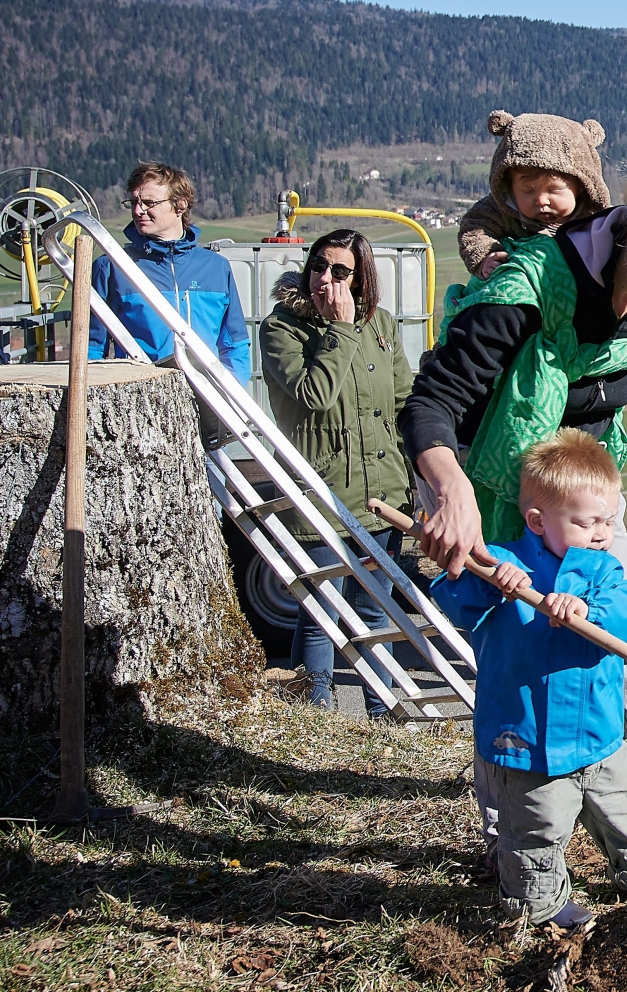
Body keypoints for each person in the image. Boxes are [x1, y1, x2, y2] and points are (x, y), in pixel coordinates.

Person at [401, 128, 627, 813]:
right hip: (487, 481)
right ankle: (510, 821)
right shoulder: (531, 283)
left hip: (584, 481)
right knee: (515, 655)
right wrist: (452, 489)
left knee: (621, 628)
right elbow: (431, 402)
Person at [430, 430, 627, 930]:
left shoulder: (604, 571)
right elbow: (456, 596)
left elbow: (625, 609)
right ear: (537, 520)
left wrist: (588, 611)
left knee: (623, 804)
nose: (599, 531)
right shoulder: (502, 567)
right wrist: (484, 581)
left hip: (597, 731)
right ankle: (537, 902)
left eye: (608, 521)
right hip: (529, 742)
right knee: (536, 828)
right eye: (586, 521)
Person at [261, 229, 413, 718]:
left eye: (341, 271)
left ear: (361, 278)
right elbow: (313, 395)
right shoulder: (282, 328)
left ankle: (382, 713)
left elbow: (402, 401)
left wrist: (420, 471)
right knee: (320, 615)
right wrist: (341, 331)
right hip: (319, 495)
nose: (325, 279)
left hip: (381, 498)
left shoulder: (383, 325)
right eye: (318, 267)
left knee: (376, 611)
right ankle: (318, 718)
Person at [88, 161, 251, 388]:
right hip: (139, 402)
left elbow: (235, 345)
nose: (137, 211)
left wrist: (233, 394)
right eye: (134, 202)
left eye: (149, 203)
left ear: (180, 205)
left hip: (212, 398)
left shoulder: (216, 268)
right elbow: (92, 349)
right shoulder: (111, 267)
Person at [456, 110, 611, 280]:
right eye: (528, 191)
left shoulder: (601, 221)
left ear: (582, 186)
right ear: (510, 187)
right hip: (522, 291)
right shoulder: (505, 210)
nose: (541, 200)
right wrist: (485, 255)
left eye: (554, 190)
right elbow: (474, 228)